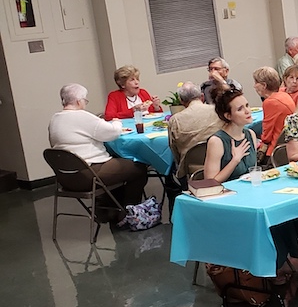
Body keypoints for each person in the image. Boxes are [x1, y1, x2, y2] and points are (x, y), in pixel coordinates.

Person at [48, 83, 148, 219]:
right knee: (138, 167)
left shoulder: (55, 119)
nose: (85, 103)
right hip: (88, 174)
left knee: (118, 166)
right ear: (78, 101)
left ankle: (108, 208)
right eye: (85, 100)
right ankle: (128, 213)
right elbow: (111, 133)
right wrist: (116, 122)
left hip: (65, 178)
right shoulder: (82, 116)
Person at [203, 87, 260, 183]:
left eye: (247, 105)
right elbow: (210, 182)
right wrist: (235, 160)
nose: (247, 111)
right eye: (240, 109)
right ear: (228, 116)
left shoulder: (250, 134)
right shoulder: (217, 141)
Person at [167, 82, 221, 178]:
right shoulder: (218, 110)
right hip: (221, 160)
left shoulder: (175, 120)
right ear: (202, 97)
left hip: (191, 167)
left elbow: (174, 149)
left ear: (181, 101)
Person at [253, 66, 296, 157]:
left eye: (256, 82)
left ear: (264, 85)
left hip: (275, 149)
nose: (254, 86)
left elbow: (267, 134)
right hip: (286, 143)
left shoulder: (270, 102)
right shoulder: (284, 95)